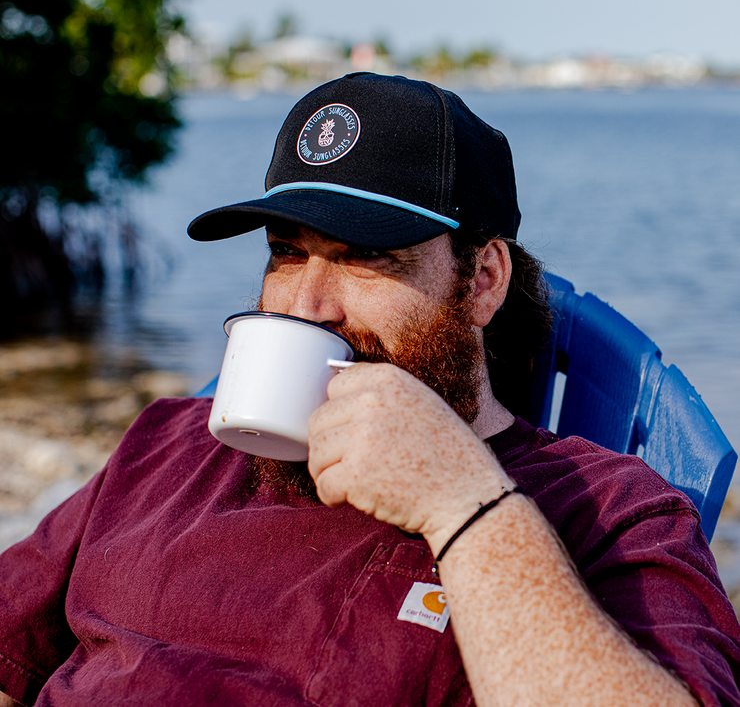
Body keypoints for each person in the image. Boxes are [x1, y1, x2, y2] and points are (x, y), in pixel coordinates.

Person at [1, 73, 739, 707]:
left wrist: (463, 501)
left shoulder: (608, 509)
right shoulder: (165, 447)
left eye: (367, 258)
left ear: (483, 280)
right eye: (286, 253)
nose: (305, 305)